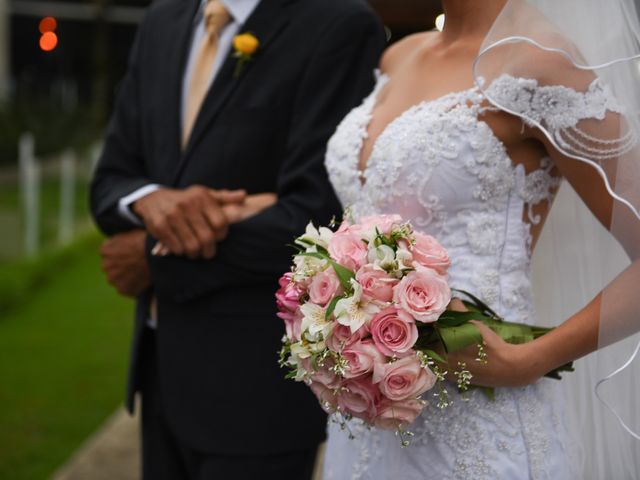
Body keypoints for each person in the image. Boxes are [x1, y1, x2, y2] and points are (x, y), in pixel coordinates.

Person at [321, 0, 640, 478]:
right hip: (372, 418)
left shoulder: (542, 62)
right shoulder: (399, 55)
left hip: (484, 418)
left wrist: (529, 359)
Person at [89, 0, 385, 478]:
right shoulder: (164, 19)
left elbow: (317, 217)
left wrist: (153, 256)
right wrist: (151, 200)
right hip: (159, 371)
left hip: (256, 391)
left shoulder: (339, 24)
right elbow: (109, 182)